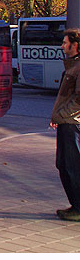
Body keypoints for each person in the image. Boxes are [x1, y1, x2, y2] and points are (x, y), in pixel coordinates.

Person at [50, 27, 80, 222]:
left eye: (65, 43)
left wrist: (61, 115)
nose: (62, 46)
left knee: (71, 166)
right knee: (63, 165)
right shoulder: (72, 66)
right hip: (66, 122)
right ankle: (75, 205)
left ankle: (78, 208)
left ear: (75, 45)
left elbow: (78, 99)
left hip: (72, 123)